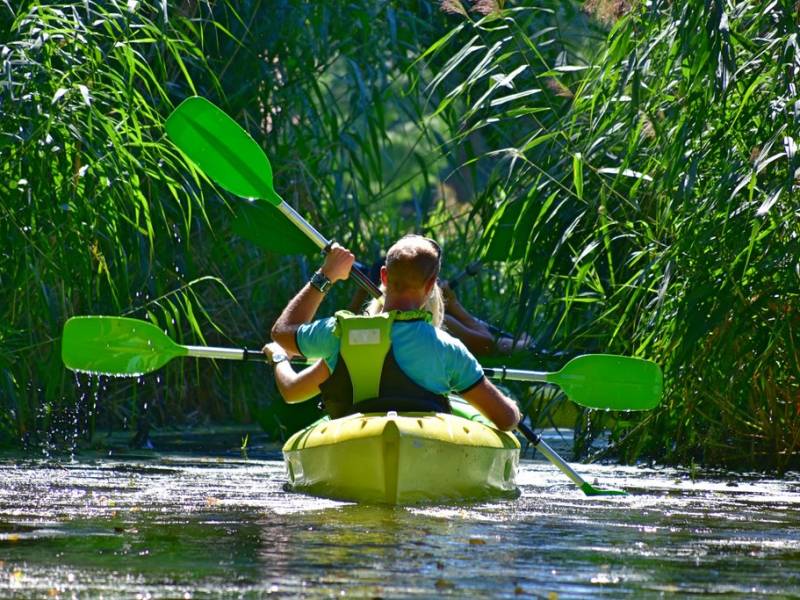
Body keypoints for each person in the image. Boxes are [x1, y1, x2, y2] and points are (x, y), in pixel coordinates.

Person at [263, 235, 521, 431]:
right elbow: (507, 419)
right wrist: (514, 408)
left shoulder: (340, 333)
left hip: (353, 439)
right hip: (423, 446)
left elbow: (282, 332)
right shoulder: (448, 349)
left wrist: (326, 274)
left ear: (384, 277)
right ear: (431, 285)